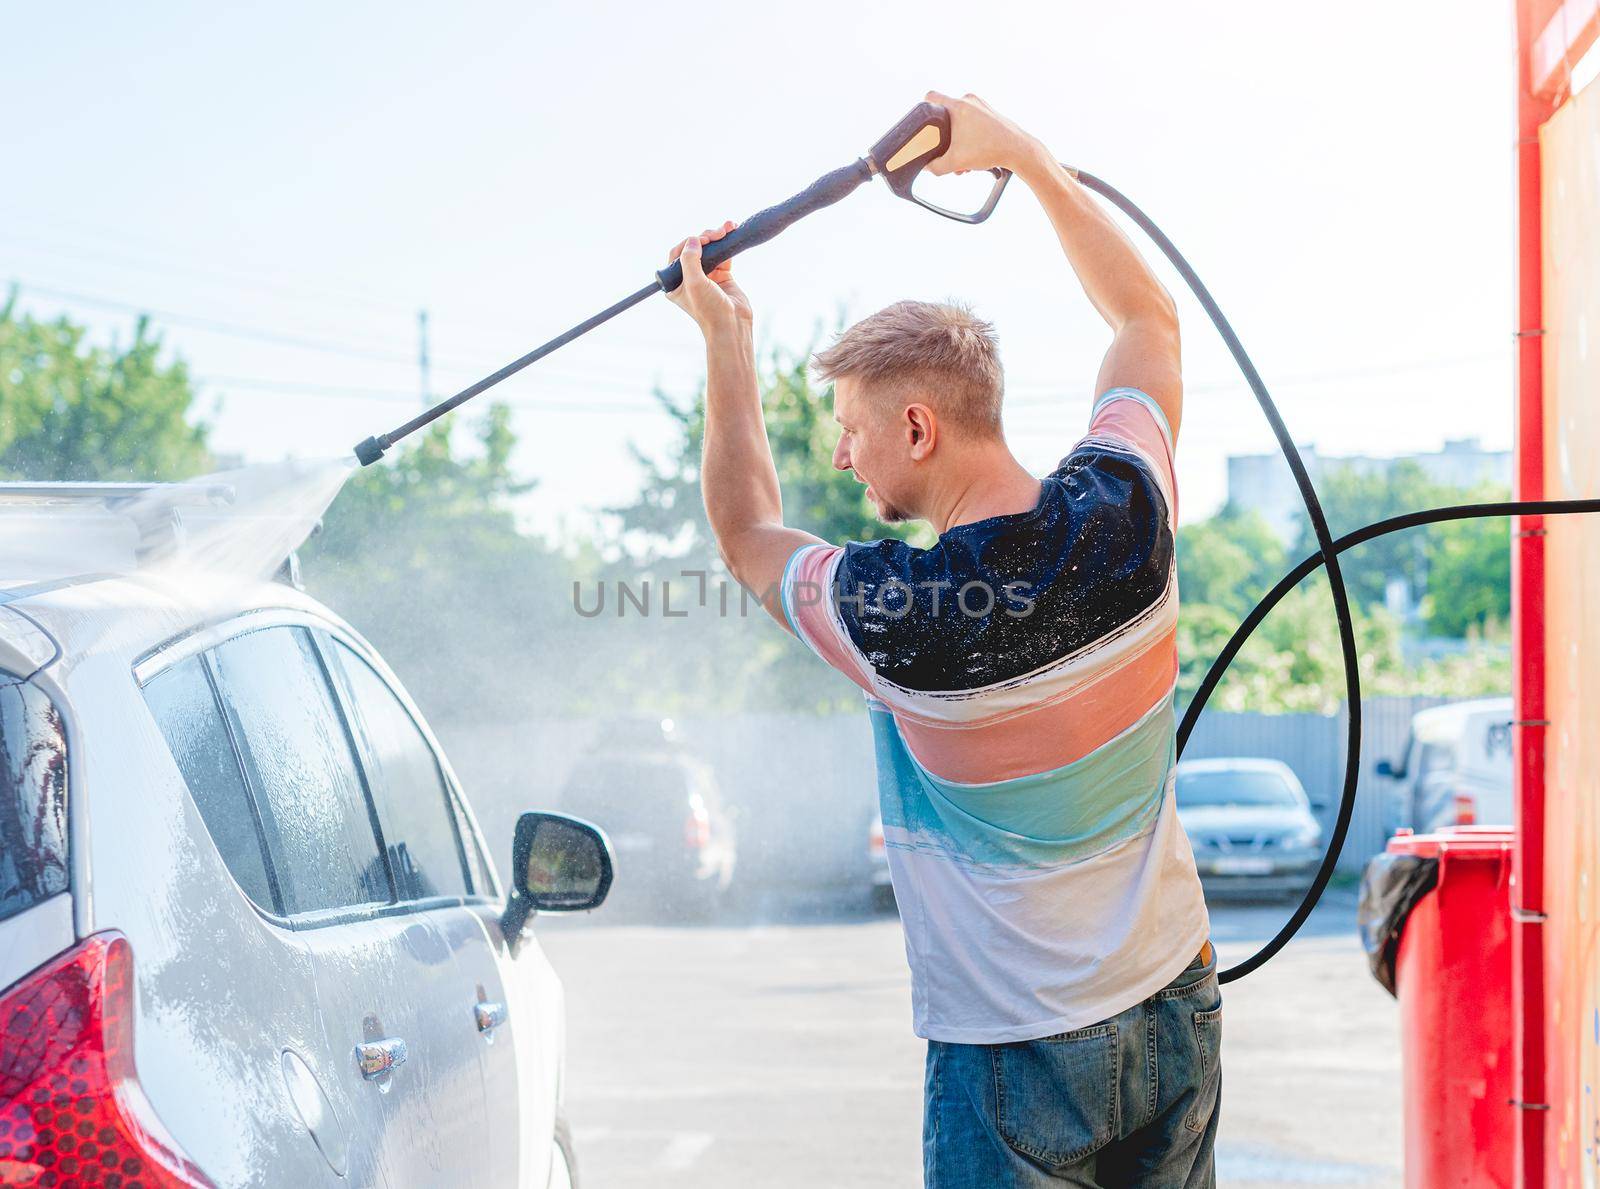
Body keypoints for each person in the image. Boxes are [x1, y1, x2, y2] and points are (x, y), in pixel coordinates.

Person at [665, 90, 1217, 1189]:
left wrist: (727, 343)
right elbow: (1146, 322)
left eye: (853, 429)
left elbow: (745, 534)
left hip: (1014, 1057)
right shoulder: (1124, 508)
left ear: (917, 427)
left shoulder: (896, 616)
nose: (842, 456)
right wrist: (1023, 156)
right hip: (1173, 1008)